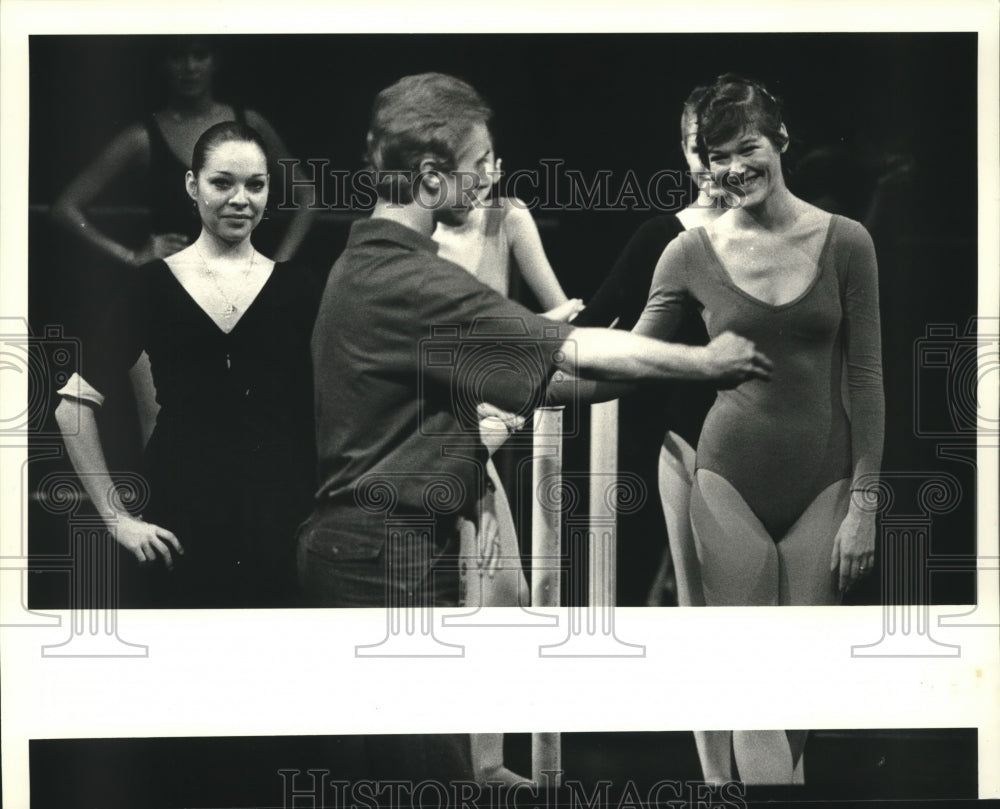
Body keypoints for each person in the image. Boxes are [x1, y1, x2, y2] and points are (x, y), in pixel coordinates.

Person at [299, 69, 770, 785]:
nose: (490, 172)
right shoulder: (409, 282)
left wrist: (647, 370)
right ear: (430, 178)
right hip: (377, 558)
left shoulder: (380, 266)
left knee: (414, 775)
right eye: (477, 160)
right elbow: (574, 347)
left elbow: (558, 372)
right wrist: (703, 361)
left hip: (396, 544)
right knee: (423, 778)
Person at [632, 73, 885, 783]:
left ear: (781, 141)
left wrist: (864, 504)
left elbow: (865, 378)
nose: (733, 168)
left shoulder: (848, 242)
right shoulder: (687, 251)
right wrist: (543, 368)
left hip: (823, 485)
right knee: (752, 685)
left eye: (746, 148)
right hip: (727, 480)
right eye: (717, 157)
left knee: (797, 685)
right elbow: (638, 362)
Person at [54, 122, 320, 608]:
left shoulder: (300, 290)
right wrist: (117, 519)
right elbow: (71, 407)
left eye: (255, 185)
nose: (241, 199)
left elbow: (339, 406)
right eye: (223, 183)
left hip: (281, 523)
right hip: (178, 523)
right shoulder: (150, 286)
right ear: (192, 186)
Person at [433, 157, 583, 787]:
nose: (486, 178)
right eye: (472, 167)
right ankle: (463, 768)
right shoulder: (416, 235)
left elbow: (561, 316)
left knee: (505, 596)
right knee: (468, 597)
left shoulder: (510, 218)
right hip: (437, 431)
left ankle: (485, 762)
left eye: (493, 162)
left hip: (492, 423)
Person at [574, 85, 724, 609]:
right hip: (683, 445)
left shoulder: (781, 238)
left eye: (721, 142)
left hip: (772, 445)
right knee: (695, 603)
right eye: (693, 146)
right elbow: (592, 323)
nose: (706, 161)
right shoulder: (662, 237)